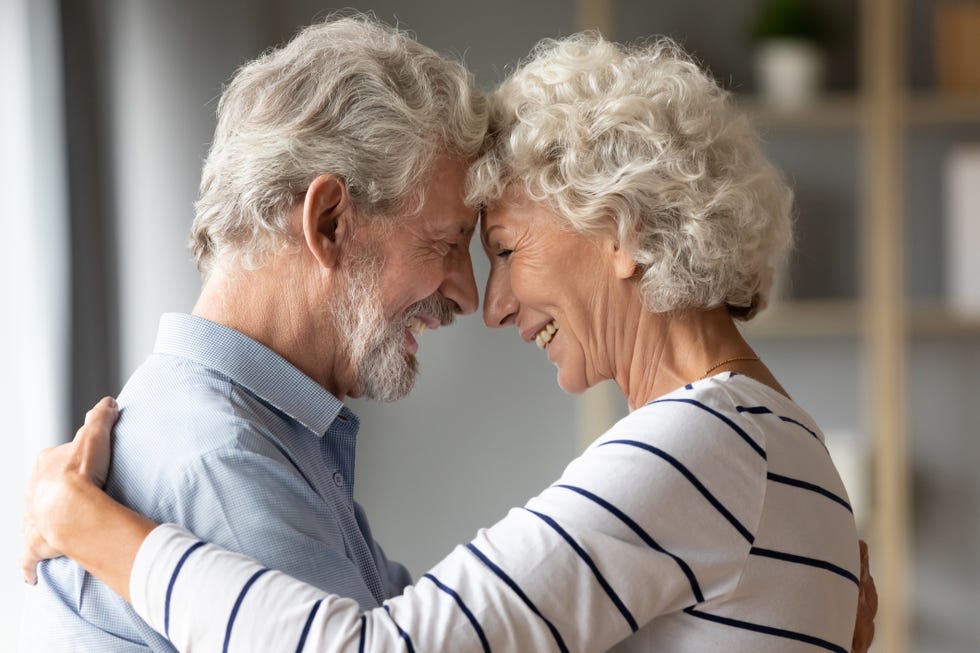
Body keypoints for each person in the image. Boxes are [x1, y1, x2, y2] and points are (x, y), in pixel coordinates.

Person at [22, 33, 879, 653]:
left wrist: (88, 524)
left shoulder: (703, 446)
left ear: (622, 230)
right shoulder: (765, 441)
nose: (488, 302)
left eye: (502, 248)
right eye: (463, 248)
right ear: (325, 222)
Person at [19, 14, 488, 651]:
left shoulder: (251, 433)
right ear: (328, 223)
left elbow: (436, 632)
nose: (468, 292)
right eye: (448, 242)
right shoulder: (224, 460)